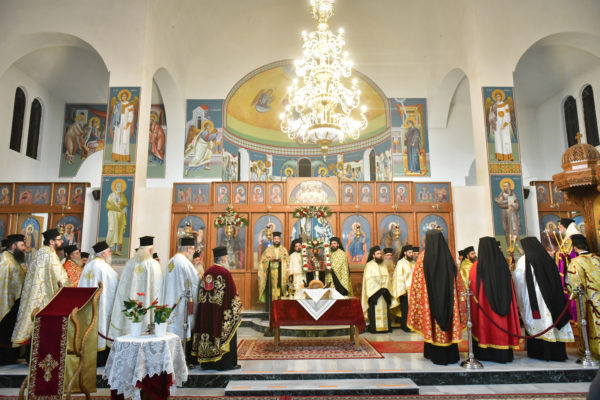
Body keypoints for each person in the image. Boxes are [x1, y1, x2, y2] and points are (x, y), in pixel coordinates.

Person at [407, 230, 465, 365]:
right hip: (449, 301)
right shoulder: (448, 257)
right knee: (448, 323)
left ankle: (433, 353)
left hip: (430, 302)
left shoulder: (422, 258)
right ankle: (451, 355)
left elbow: (417, 284)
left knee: (432, 324)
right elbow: (458, 282)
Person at [513, 237, 574, 361]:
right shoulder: (547, 258)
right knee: (552, 321)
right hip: (553, 298)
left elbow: (518, 279)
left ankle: (540, 353)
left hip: (536, 299)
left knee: (541, 323)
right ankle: (557, 353)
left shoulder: (524, 260)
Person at [12, 229, 69, 346]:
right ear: (51, 242)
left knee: (32, 326)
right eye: (59, 239)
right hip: (44, 297)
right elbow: (59, 277)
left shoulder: (39, 252)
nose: (62, 241)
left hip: (33, 294)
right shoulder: (51, 254)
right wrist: (69, 285)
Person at [469, 237, 522, 363]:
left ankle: (485, 353)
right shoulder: (503, 264)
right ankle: (504, 353)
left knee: (487, 327)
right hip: (504, 308)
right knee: (502, 326)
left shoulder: (477, 266)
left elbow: (472, 289)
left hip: (485, 309)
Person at [192, 246, 242, 370]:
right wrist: (237, 309)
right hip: (221, 313)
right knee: (222, 334)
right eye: (227, 257)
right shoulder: (225, 273)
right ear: (224, 259)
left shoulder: (207, 273)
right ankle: (225, 364)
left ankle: (207, 363)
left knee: (207, 333)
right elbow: (233, 296)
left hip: (207, 312)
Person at [108, 236, 163, 338]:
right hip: (147, 309)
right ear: (151, 250)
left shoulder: (130, 263)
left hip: (131, 307)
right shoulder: (154, 264)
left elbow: (123, 287)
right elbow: (157, 290)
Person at [78, 241, 118, 366]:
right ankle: (101, 359)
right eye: (109, 252)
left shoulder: (88, 266)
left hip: (87, 308)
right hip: (102, 306)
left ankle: (87, 357)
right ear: (104, 254)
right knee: (102, 326)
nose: (111, 254)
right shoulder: (105, 268)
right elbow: (113, 288)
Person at [566, 234, 600, 358]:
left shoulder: (576, 262)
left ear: (575, 248)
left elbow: (574, 286)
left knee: (589, 324)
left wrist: (572, 295)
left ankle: (590, 351)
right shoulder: (597, 259)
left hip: (587, 301)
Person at [162, 237, 200, 343]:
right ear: (188, 249)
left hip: (169, 303)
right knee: (181, 332)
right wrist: (197, 303)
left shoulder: (171, 261)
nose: (193, 252)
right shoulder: (185, 262)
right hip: (181, 305)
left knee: (171, 332)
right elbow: (195, 283)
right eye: (193, 249)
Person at [0, 235, 26, 363]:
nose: (24, 248)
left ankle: (10, 356)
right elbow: (3, 283)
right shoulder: (4, 259)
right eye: (22, 245)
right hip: (7, 302)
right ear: (13, 245)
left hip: (15, 302)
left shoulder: (12, 259)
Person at [361, 246, 392, 333]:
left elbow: (387, 278)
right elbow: (369, 280)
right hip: (374, 293)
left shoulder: (383, 265)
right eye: (378, 254)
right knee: (373, 310)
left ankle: (386, 328)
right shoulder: (369, 265)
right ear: (373, 255)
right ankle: (374, 329)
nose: (380, 255)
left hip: (384, 292)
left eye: (380, 254)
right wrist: (378, 289)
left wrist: (384, 288)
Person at [555, 217, 580, 321]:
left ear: (565, 227)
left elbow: (567, 256)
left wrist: (556, 254)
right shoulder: (573, 237)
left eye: (560, 227)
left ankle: (576, 319)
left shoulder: (570, 238)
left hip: (572, 271)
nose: (559, 229)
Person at [257, 232, 289, 311]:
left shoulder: (284, 250)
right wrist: (269, 260)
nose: (276, 240)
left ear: (280, 239)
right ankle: (271, 307)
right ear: (273, 239)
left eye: (278, 239)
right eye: (275, 239)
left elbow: (288, 261)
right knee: (271, 289)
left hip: (281, 273)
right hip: (270, 274)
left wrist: (282, 261)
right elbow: (262, 261)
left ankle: (281, 308)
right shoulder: (268, 250)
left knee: (280, 288)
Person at [391, 244, 415, 332]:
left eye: (412, 252)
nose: (411, 254)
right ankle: (406, 326)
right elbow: (398, 277)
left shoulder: (413, 263)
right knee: (406, 310)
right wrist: (402, 290)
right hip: (405, 291)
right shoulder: (401, 263)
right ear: (405, 253)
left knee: (413, 309)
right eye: (410, 252)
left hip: (414, 290)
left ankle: (413, 326)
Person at [494, 180, 522, 251]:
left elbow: (517, 204)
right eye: (504, 186)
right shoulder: (501, 194)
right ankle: (509, 246)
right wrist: (507, 203)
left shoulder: (513, 194)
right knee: (505, 229)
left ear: (509, 186)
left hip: (511, 213)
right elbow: (499, 203)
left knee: (514, 228)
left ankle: (517, 245)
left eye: (506, 186)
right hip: (504, 213)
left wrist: (512, 205)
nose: (505, 187)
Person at [488, 89, 514, 161]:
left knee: (506, 141)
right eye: (497, 96)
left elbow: (508, 116)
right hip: (497, 126)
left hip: (504, 126)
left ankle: (509, 156)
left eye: (499, 96)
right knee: (498, 142)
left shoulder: (505, 105)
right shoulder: (494, 106)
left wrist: (504, 124)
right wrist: (493, 123)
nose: (498, 98)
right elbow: (491, 115)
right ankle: (500, 157)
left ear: (501, 97)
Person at [110, 89, 136, 162]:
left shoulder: (130, 105)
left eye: (125, 96)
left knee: (124, 140)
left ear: (127, 97)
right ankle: (117, 157)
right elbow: (115, 115)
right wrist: (115, 110)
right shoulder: (118, 105)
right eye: (122, 96)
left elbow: (131, 115)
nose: (123, 97)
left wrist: (127, 124)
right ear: (121, 97)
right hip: (118, 125)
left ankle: (126, 157)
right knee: (117, 140)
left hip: (125, 125)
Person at [106, 179, 128, 256]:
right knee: (112, 230)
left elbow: (125, 205)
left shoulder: (123, 195)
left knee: (119, 232)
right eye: (118, 186)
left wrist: (124, 209)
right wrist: (116, 207)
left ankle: (116, 250)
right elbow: (108, 206)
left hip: (120, 215)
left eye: (121, 186)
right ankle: (108, 248)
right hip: (113, 214)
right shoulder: (111, 195)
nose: (119, 187)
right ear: (115, 187)